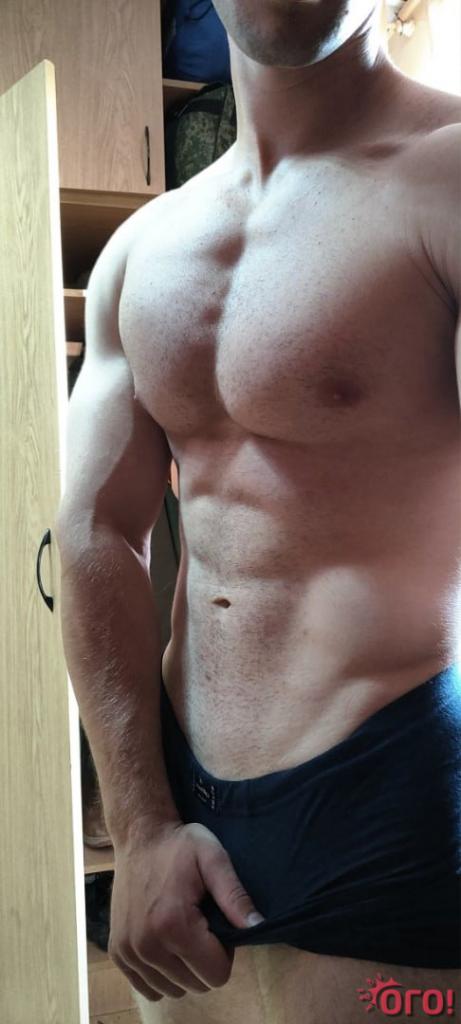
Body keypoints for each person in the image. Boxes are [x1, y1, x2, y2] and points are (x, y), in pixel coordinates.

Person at [55, 0, 461, 1021]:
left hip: (398, 793)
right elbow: (97, 535)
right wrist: (139, 826)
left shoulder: (447, 182)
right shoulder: (142, 248)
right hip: (181, 802)